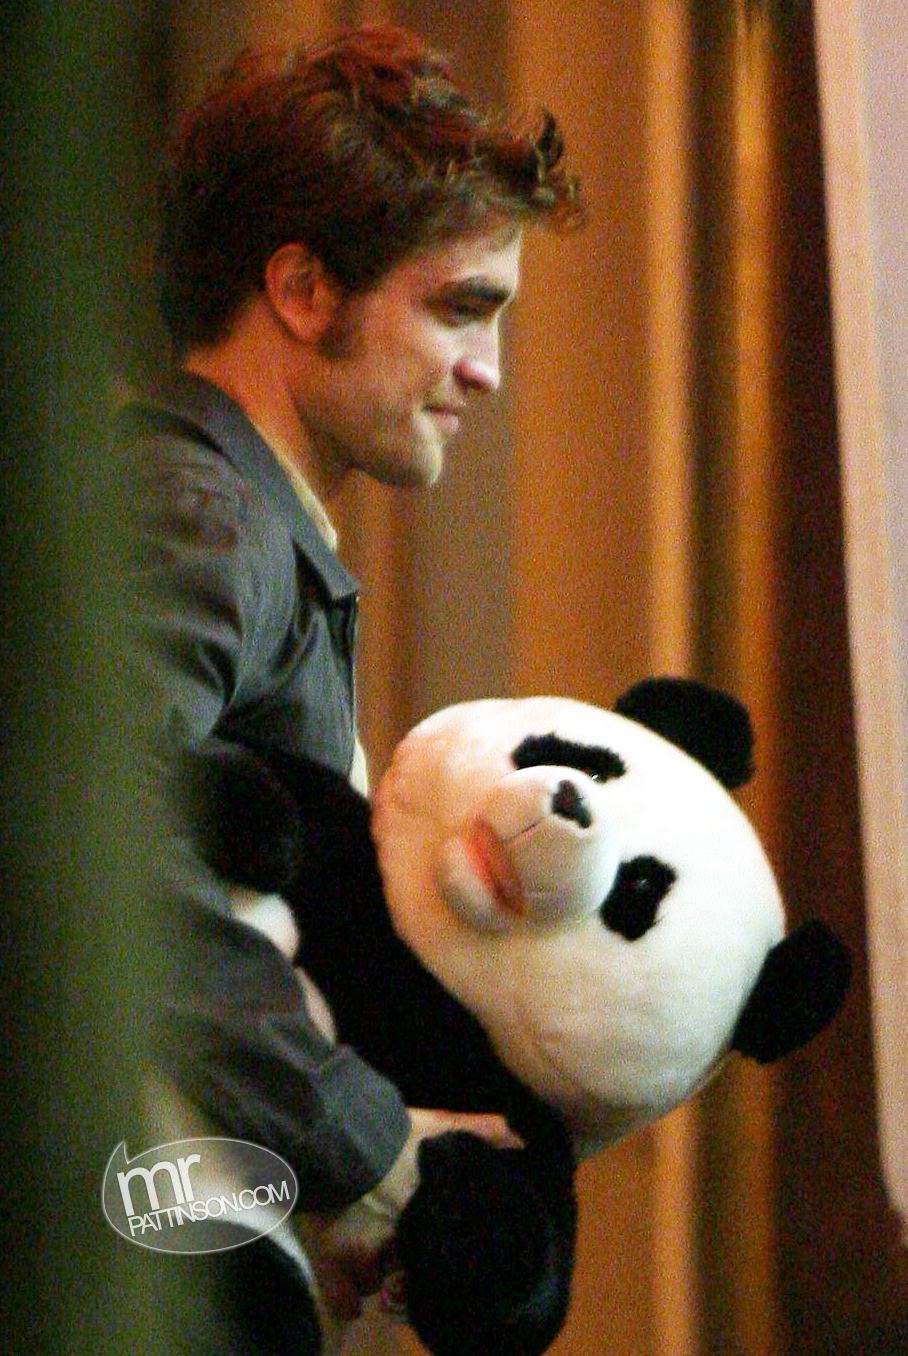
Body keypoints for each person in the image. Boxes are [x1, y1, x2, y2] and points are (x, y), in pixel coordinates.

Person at [127, 22, 583, 1353]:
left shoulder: (230, 519)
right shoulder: (204, 517)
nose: (487, 372)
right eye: (459, 309)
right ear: (303, 288)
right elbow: (98, 850)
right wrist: (364, 1146)